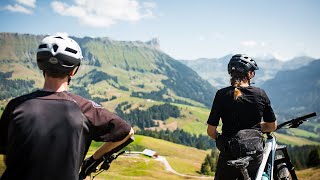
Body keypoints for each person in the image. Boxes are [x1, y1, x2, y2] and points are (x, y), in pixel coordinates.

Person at [0, 35, 134, 180]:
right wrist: (93, 161)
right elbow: (127, 131)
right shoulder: (85, 108)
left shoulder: (15, 105)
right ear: (72, 71)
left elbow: (7, 158)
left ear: (42, 67)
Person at [206, 54, 277, 179]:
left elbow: (211, 131)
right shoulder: (260, 94)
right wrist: (255, 128)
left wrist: (222, 140)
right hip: (254, 155)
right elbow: (272, 126)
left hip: (229, 155)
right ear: (250, 74)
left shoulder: (221, 94)